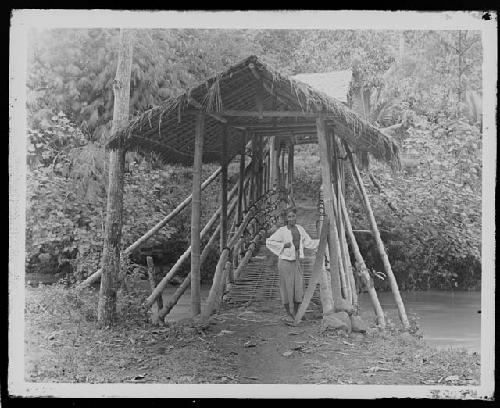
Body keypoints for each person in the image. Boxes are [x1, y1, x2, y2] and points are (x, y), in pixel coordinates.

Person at [266, 207, 319, 321]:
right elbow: (269, 242)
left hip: (296, 261)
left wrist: (321, 241)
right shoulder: (282, 231)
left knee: (298, 287)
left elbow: (308, 242)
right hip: (285, 263)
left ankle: (295, 312)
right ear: (286, 218)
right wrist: (283, 245)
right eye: (289, 217)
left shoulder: (300, 229)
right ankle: (288, 313)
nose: (291, 219)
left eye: (293, 216)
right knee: (286, 287)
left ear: (296, 217)